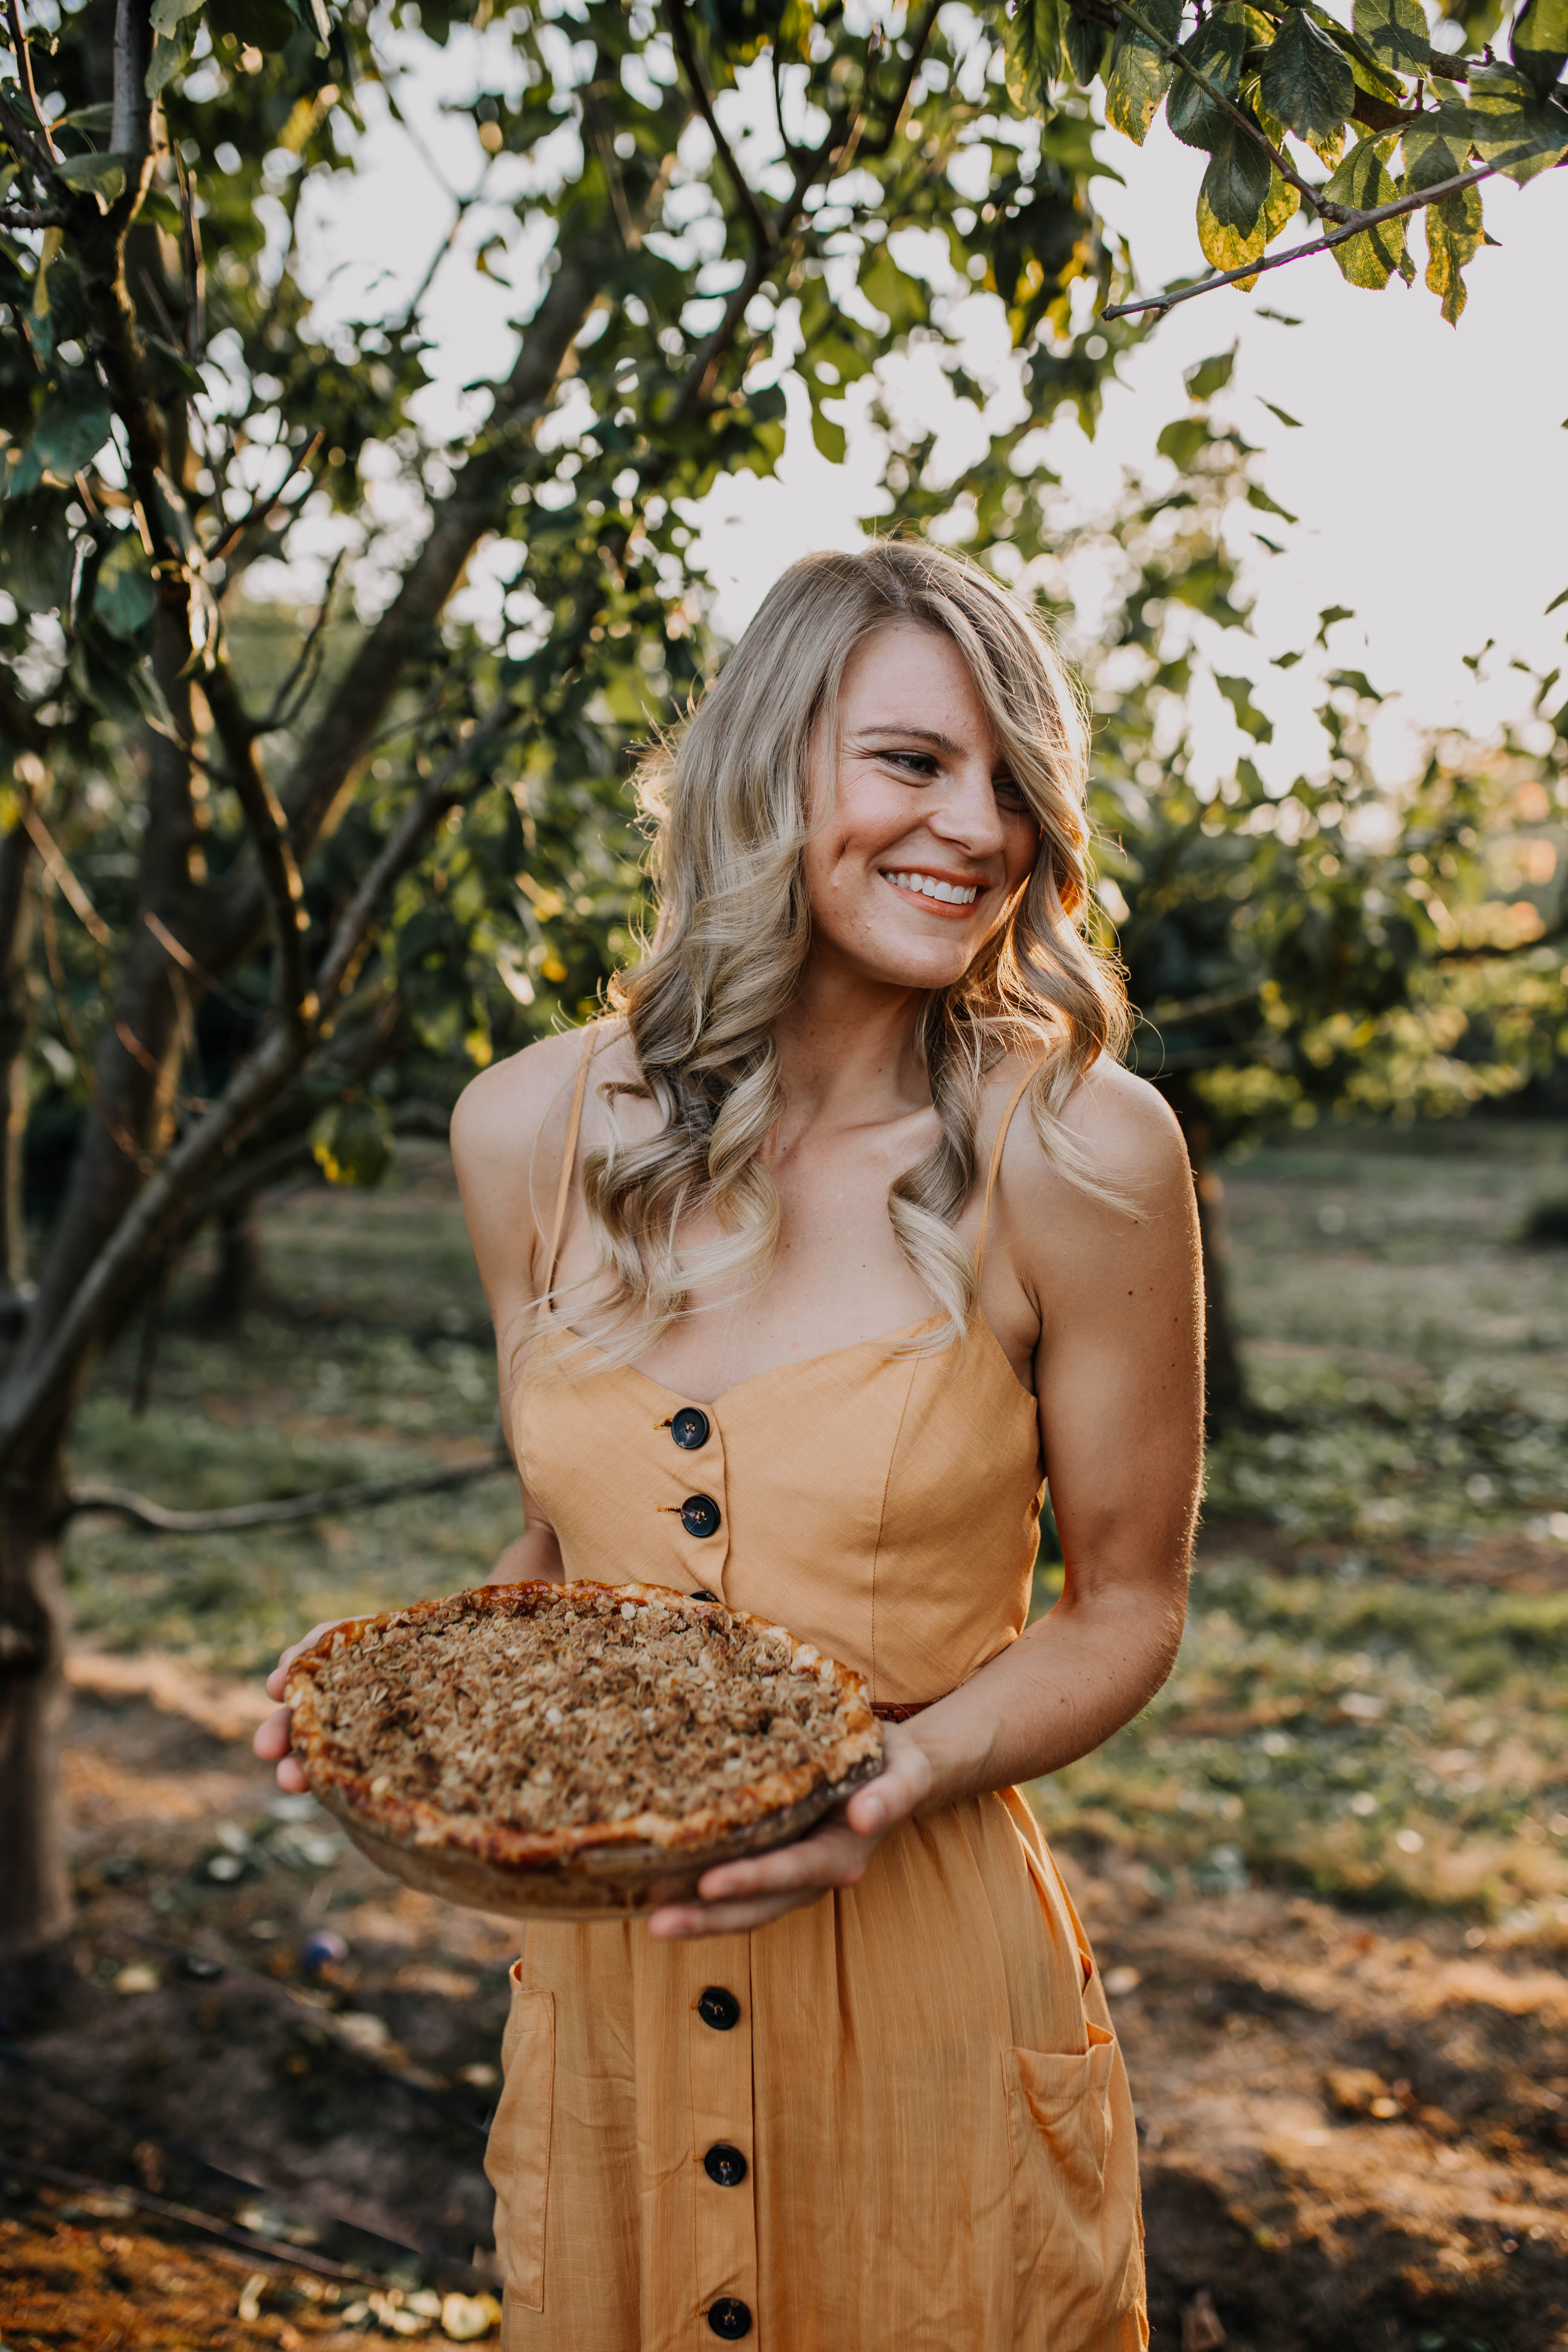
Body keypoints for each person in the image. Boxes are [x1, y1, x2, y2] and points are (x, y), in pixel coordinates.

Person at [256, 538, 1203, 2350]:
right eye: (913, 762)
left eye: (1013, 780)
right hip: (612, 2000)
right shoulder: (525, 1131)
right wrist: (409, 1687)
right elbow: (570, 1564)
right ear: (768, 770)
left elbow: (1126, 1608)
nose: (978, 828)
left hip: (922, 1988)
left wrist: (897, 1782)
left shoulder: (1079, 1152)